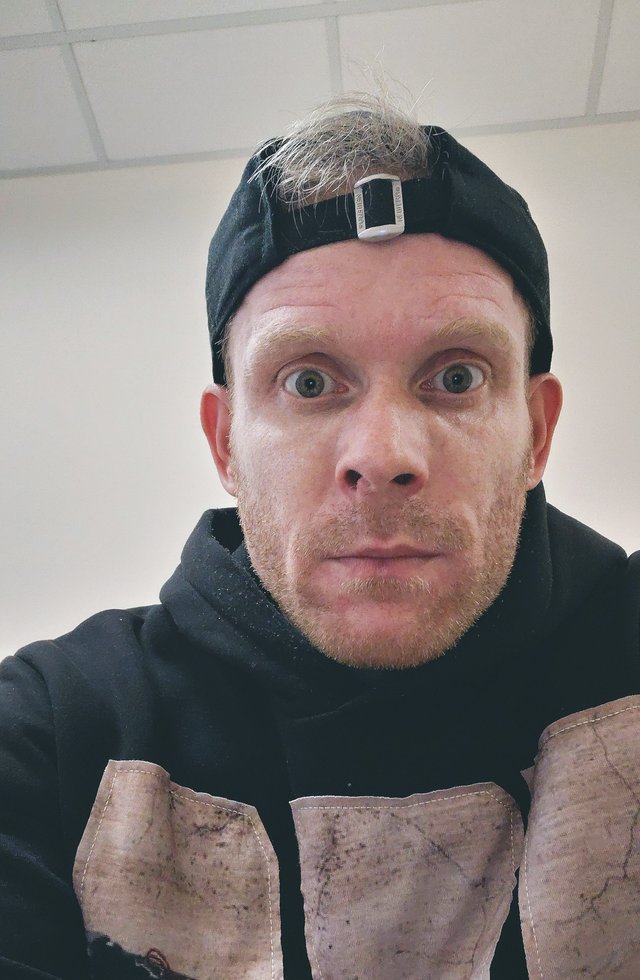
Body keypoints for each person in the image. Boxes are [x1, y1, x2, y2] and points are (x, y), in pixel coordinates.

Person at [1, 95, 639, 980]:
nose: (382, 456)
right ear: (226, 443)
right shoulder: (55, 733)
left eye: (456, 376)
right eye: (309, 382)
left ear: (537, 431)